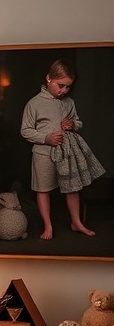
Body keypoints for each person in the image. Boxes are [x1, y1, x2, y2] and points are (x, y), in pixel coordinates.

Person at [21, 59, 105, 240]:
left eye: (67, 87)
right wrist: (46, 138)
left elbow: (79, 121)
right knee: (43, 189)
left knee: (72, 187)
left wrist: (73, 124)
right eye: (60, 86)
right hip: (43, 153)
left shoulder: (69, 102)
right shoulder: (34, 104)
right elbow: (25, 131)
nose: (63, 91)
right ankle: (47, 226)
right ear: (49, 78)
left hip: (67, 153)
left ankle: (76, 222)